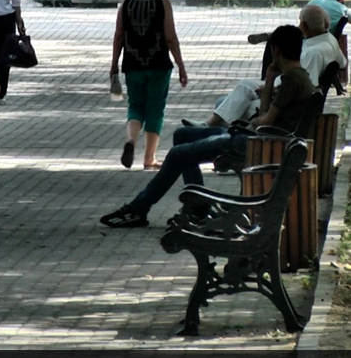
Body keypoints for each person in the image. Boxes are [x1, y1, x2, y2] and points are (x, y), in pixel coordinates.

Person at [100, 24, 316, 228]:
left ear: (275, 51)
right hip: (262, 138)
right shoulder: (296, 77)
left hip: (255, 141)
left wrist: (253, 121)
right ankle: (198, 207)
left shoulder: (291, 81)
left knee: (177, 155)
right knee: (183, 135)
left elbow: (265, 120)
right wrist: (269, 81)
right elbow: (266, 113)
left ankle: (139, 208)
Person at [182, 5, 344, 128]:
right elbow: (343, 63)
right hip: (286, 88)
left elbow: (301, 85)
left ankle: (219, 137)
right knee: (243, 87)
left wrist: (270, 88)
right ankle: (210, 126)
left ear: (304, 26)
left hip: (288, 102)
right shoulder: (330, 40)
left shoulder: (313, 53)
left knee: (225, 104)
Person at [110, 0, 187, 170]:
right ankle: (149, 158)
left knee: (135, 106)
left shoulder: (127, 1)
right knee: (155, 108)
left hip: (132, 63)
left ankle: (131, 140)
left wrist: (114, 64)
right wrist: (180, 65)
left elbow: (119, 36)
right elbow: (170, 37)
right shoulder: (163, 3)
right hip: (158, 64)